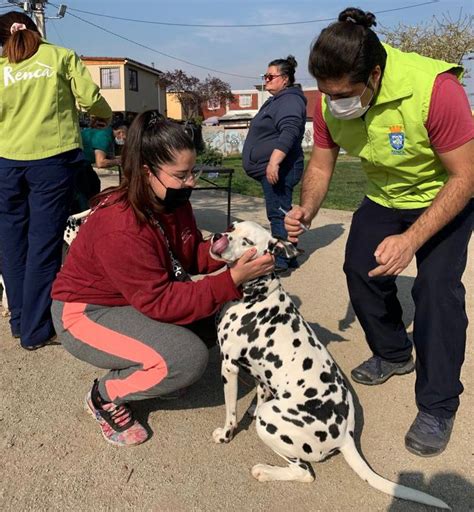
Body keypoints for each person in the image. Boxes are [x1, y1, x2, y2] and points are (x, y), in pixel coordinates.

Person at [285, 7, 473, 458]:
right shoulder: (329, 100)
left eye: (345, 93)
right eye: (327, 94)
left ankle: (438, 404)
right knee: (359, 270)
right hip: (385, 197)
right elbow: (321, 163)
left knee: (436, 290)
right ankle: (393, 353)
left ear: (374, 73)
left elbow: (465, 177)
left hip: (444, 194)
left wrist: (412, 240)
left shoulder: (435, 89)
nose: (336, 103)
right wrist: (307, 209)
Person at [51, 111, 275, 447]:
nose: (192, 182)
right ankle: (104, 395)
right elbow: (161, 302)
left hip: (130, 298)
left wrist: (225, 252)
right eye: (182, 175)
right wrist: (232, 278)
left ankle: (158, 369)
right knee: (187, 359)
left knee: (212, 317)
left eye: (192, 172)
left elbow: (185, 256)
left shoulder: (172, 202)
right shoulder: (121, 226)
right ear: (146, 171)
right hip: (85, 313)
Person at [0, 11, 112, 350]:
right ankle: (35, 330)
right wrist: (104, 117)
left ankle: (19, 321)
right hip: (51, 160)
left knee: (11, 244)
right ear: (34, 29)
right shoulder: (60, 57)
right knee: (43, 245)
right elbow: (91, 99)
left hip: (5, 163)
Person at [242, 55, 307, 272]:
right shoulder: (279, 99)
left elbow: (289, 132)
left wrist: (274, 163)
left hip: (281, 168)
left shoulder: (289, 100)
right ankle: (290, 256)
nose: (266, 80)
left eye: (270, 76)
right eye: (265, 76)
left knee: (277, 212)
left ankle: (280, 260)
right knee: (282, 211)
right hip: (274, 167)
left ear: (285, 79)